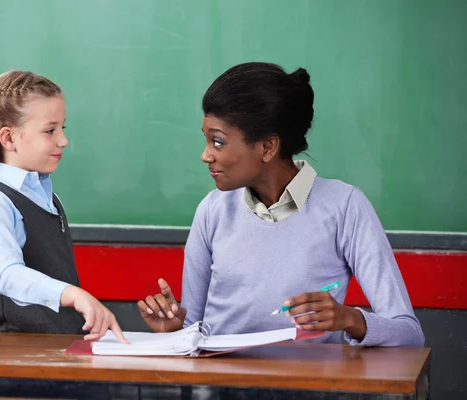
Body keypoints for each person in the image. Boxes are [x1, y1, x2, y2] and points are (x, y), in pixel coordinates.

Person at [138, 62, 424, 346]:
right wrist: (174, 331)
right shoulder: (213, 210)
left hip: (308, 388)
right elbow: (192, 330)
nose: (205, 155)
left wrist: (350, 319)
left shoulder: (344, 207)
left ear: (267, 147)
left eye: (218, 142)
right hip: (218, 387)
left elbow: (409, 334)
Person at [0, 70, 126, 343]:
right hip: (12, 357)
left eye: (62, 128)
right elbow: (8, 275)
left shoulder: (47, 197)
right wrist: (74, 294)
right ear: (8, 138)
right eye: (50, 130)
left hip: (54, 349)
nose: (63, 140)